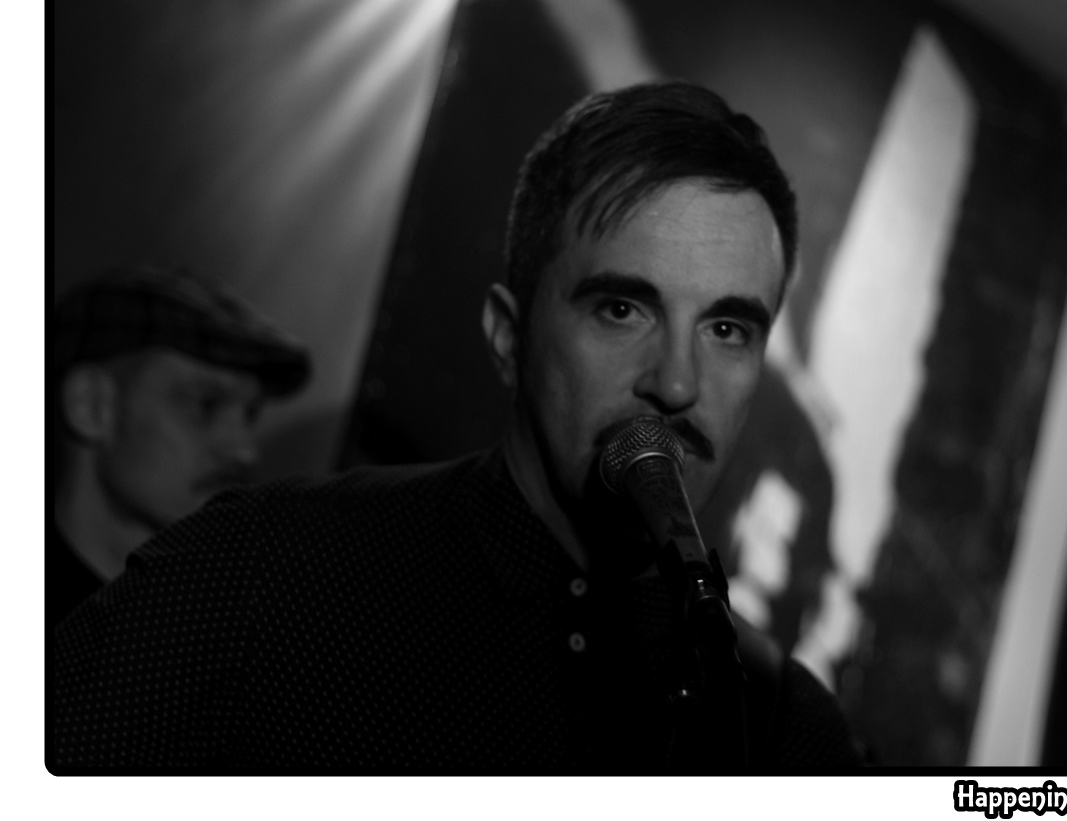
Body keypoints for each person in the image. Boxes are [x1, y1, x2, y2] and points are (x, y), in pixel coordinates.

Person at [48, 82, 863, 772]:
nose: (678, 383)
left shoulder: (789, 733)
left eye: (728, 329)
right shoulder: (261, 573)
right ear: (509, 338)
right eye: (621, 309)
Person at [48, 266, 312, 630]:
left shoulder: (227, 630)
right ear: (91, 405)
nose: (244, 450)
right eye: (205, 403)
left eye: (251, 414)